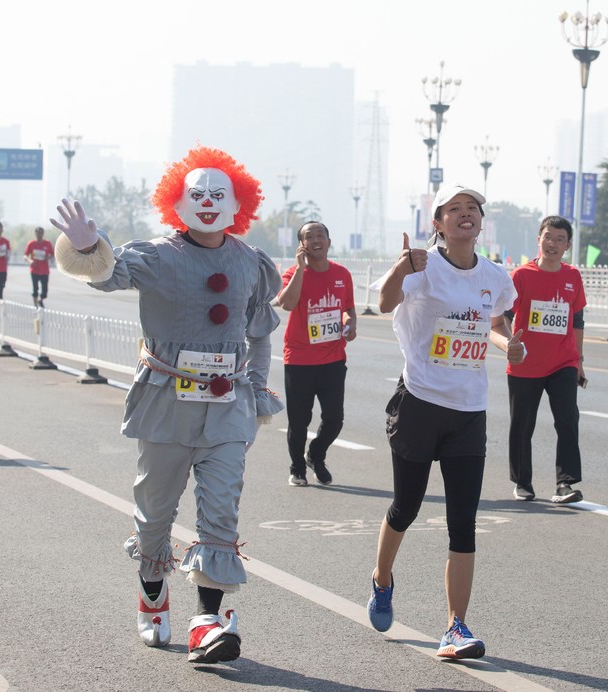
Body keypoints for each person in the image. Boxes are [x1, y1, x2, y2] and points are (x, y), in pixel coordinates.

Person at [51, 146, 282, 665]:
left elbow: (260, 332)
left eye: (217, 195)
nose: (206, 203)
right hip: (165, 401)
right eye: (196, 194)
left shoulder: (249, 261)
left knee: (221, 512)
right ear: (177, 199)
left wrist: (259, 389)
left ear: (236, 202)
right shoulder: (157, 256)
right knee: (156, 512)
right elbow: (109, 275)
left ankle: (207, 621)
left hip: (227, 406)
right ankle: (153, 591)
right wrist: (90, 246)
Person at [367, 185, 524, 661]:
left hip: (468, 411)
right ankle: (381, 579)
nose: (464, 215)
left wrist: (508, 345)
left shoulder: (495, 276)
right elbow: (383, 302)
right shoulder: (424, 266)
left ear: (481, 221)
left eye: (472, 209)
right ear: (437, 222)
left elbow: (495, 324)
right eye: (453, 209)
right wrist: (402, 266)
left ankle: (456, 627)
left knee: (463, 522)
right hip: (419, 403)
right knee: (406, 507)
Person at [505, 216, 587, 504]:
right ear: (538, 239)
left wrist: (578, 361)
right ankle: (522, 482)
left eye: (559, 239)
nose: (553, 244)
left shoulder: (572, 276)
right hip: (525, 364)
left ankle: (565, 483)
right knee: (522, 424)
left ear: (567, 245)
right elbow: (503, 315)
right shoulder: (521, 276)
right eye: (548, 237)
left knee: (567, 419)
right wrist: (509, 344)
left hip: (562, 362)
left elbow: (577, 320)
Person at [275, 221, 356, 486]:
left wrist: (350, 323)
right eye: (309, 237)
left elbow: (348, 308)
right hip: (299, 359)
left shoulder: (342, 274)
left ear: (329, 241)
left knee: (334, 419)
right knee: (299, 421)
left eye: (320, 234)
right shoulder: (292, 273)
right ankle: (297, 467)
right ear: (302, 245)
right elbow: (287, 303)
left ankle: (316, 455)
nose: (316, 239)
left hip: (333, 358)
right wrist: (300, 268)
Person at [24, 226, 54, 307]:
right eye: (38, 233)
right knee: (35, 289)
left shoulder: (47, 243)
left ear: (43, 234)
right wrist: (30, 261)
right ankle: (35, 306)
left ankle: (41, 300)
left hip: (44, 270)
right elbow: (25, 255)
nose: (39, 234)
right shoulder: (31, 244)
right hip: (34, 270)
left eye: (41, 233)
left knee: (44, 291)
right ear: (35, 233)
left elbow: (53, 254)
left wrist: (49, 257)